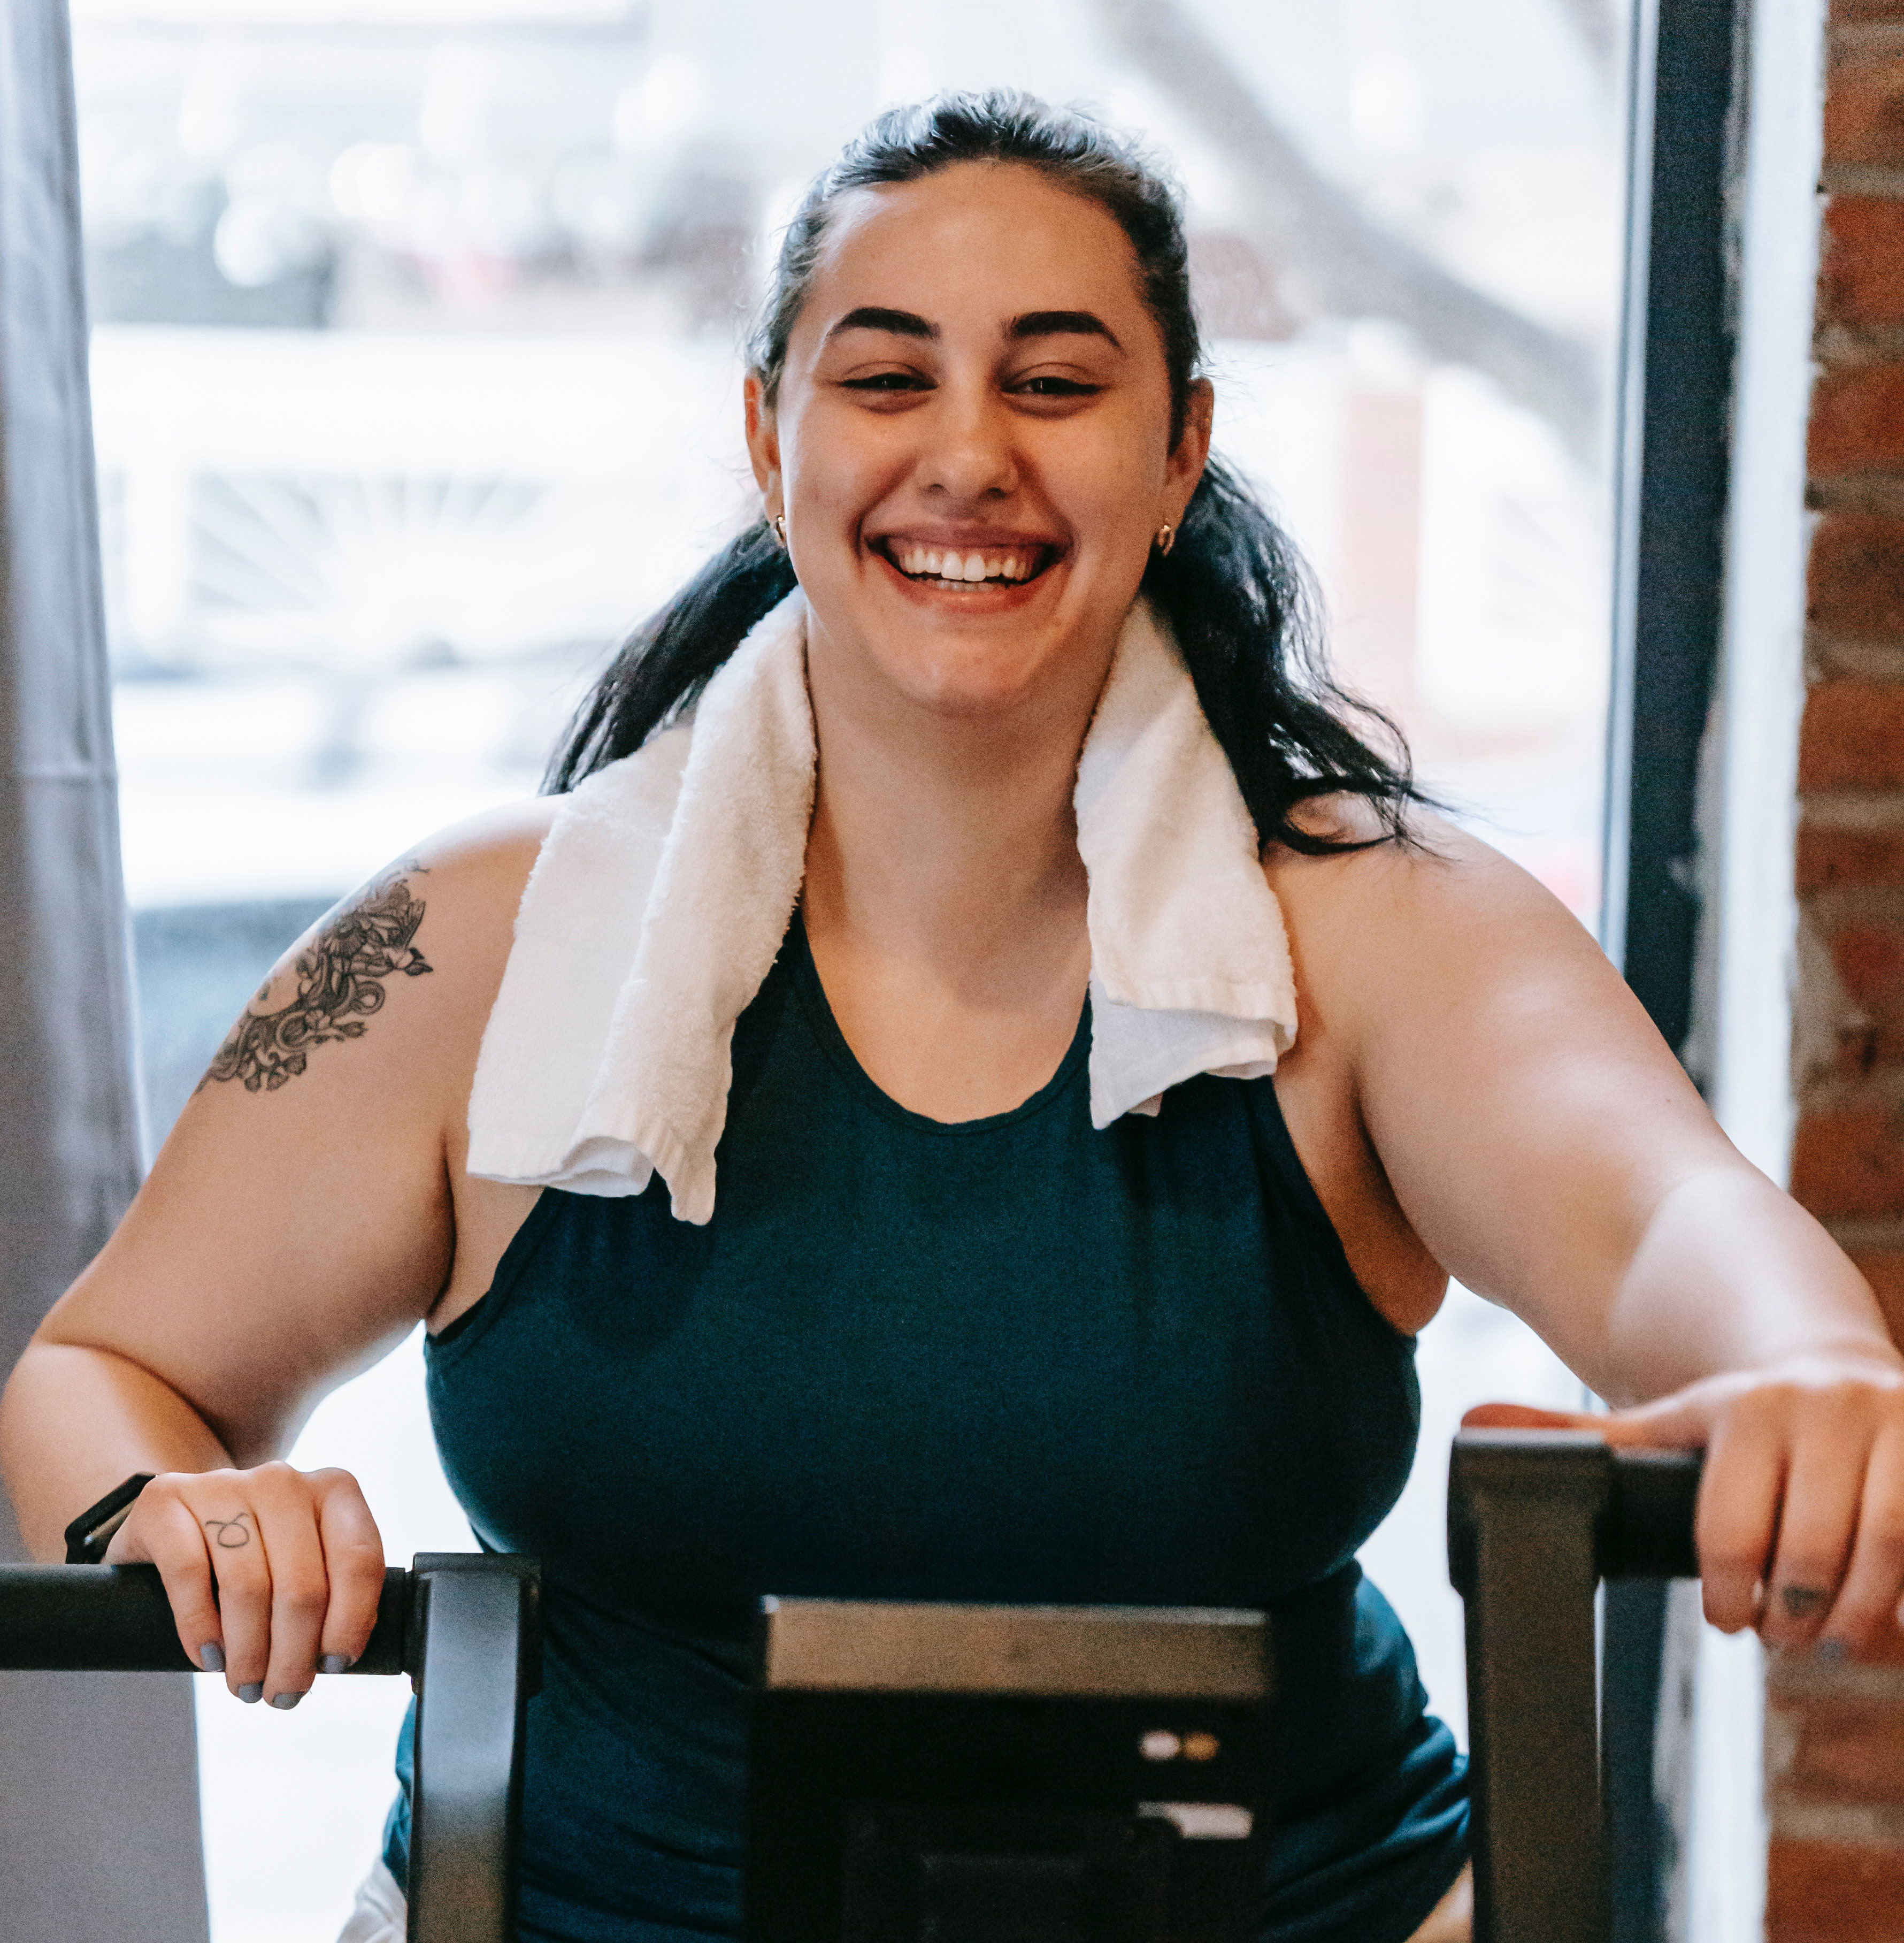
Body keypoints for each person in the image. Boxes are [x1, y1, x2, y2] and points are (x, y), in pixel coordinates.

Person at [2, 89, 1900, 1943]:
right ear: (771, 436)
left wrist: (1821, 1360)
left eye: (1057, 383)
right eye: (888, 377)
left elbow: (1668, 1217)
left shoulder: (1379, 927)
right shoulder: (475, 941)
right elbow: (101, 1372)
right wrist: (170, 1511)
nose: (969, 453)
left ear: (1179, 455)